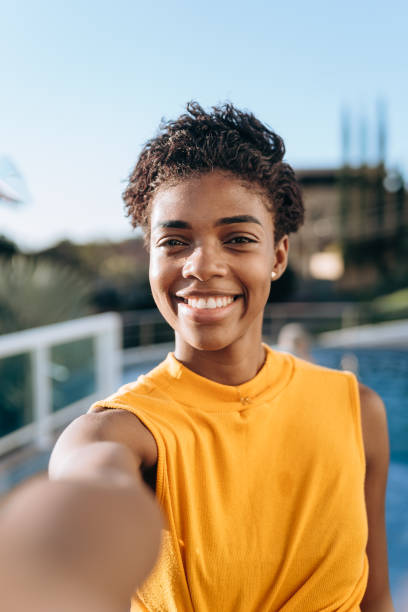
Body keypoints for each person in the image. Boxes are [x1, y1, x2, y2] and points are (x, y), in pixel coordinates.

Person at [0, 102, 394, 611]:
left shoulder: (357, 411)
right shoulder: (117, 433)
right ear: (150, 257)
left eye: (237, 239)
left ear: (277, 255)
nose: (202, 265)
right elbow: (92, 489)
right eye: (175, 240)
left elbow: (376, 599)